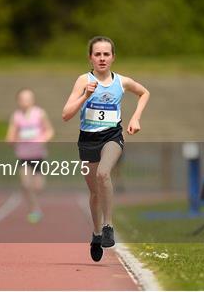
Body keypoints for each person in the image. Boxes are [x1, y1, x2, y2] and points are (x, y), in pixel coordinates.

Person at [62, 36, 150, 262]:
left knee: (104, 173)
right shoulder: (83, 80)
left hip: (112, 136)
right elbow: (65, 115)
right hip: (87, 139)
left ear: (113, 57)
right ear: (90, 58)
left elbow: (144, 93)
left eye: (106, 54)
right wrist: (85, 96)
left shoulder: (121, 82)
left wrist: (136, 118)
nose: (102, 58)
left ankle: (108, 225)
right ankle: (96, 232)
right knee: (94, 194)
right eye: (97, 54)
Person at [6, 89, 54, 223]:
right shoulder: (16, 116)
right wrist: (11, 140)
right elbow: (11, 134)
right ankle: (34, 209)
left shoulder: (40, 113)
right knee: (26, 184)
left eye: (28, 99)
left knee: (38, 186)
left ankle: (35, 203)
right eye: (22, 99)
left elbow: (49, 130)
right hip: (23, 156)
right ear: (18, 101)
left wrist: (43, 139)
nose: (25, 102)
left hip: (38, 155)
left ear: (33, 100)